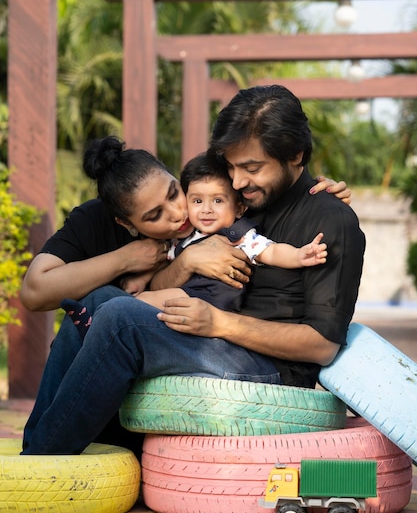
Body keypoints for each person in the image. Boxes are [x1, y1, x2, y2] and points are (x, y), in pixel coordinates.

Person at [20, 86, 362, 455]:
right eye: (230, 167)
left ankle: (44, 457)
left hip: (271, 369)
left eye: (251, 168)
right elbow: (167, 276)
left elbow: (323, 345)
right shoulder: (245, 199)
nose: (236, 181)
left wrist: (219, 324)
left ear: (296, 154)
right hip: (215, 341)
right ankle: (36, 446)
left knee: (119, 317)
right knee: (97, 300)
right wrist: (185, 267)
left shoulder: (330, 218)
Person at [135, 152, 327, 312]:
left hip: (209, 301)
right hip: (189, 297)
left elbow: (272, 251)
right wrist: (141, 277)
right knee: (136, 301)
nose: (206, 209)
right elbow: (163, 262)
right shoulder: (184, 237)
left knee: (136, 304)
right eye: (197, 201)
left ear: (239, 208)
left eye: (218, 201)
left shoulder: (239, 236)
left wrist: (299, 255)